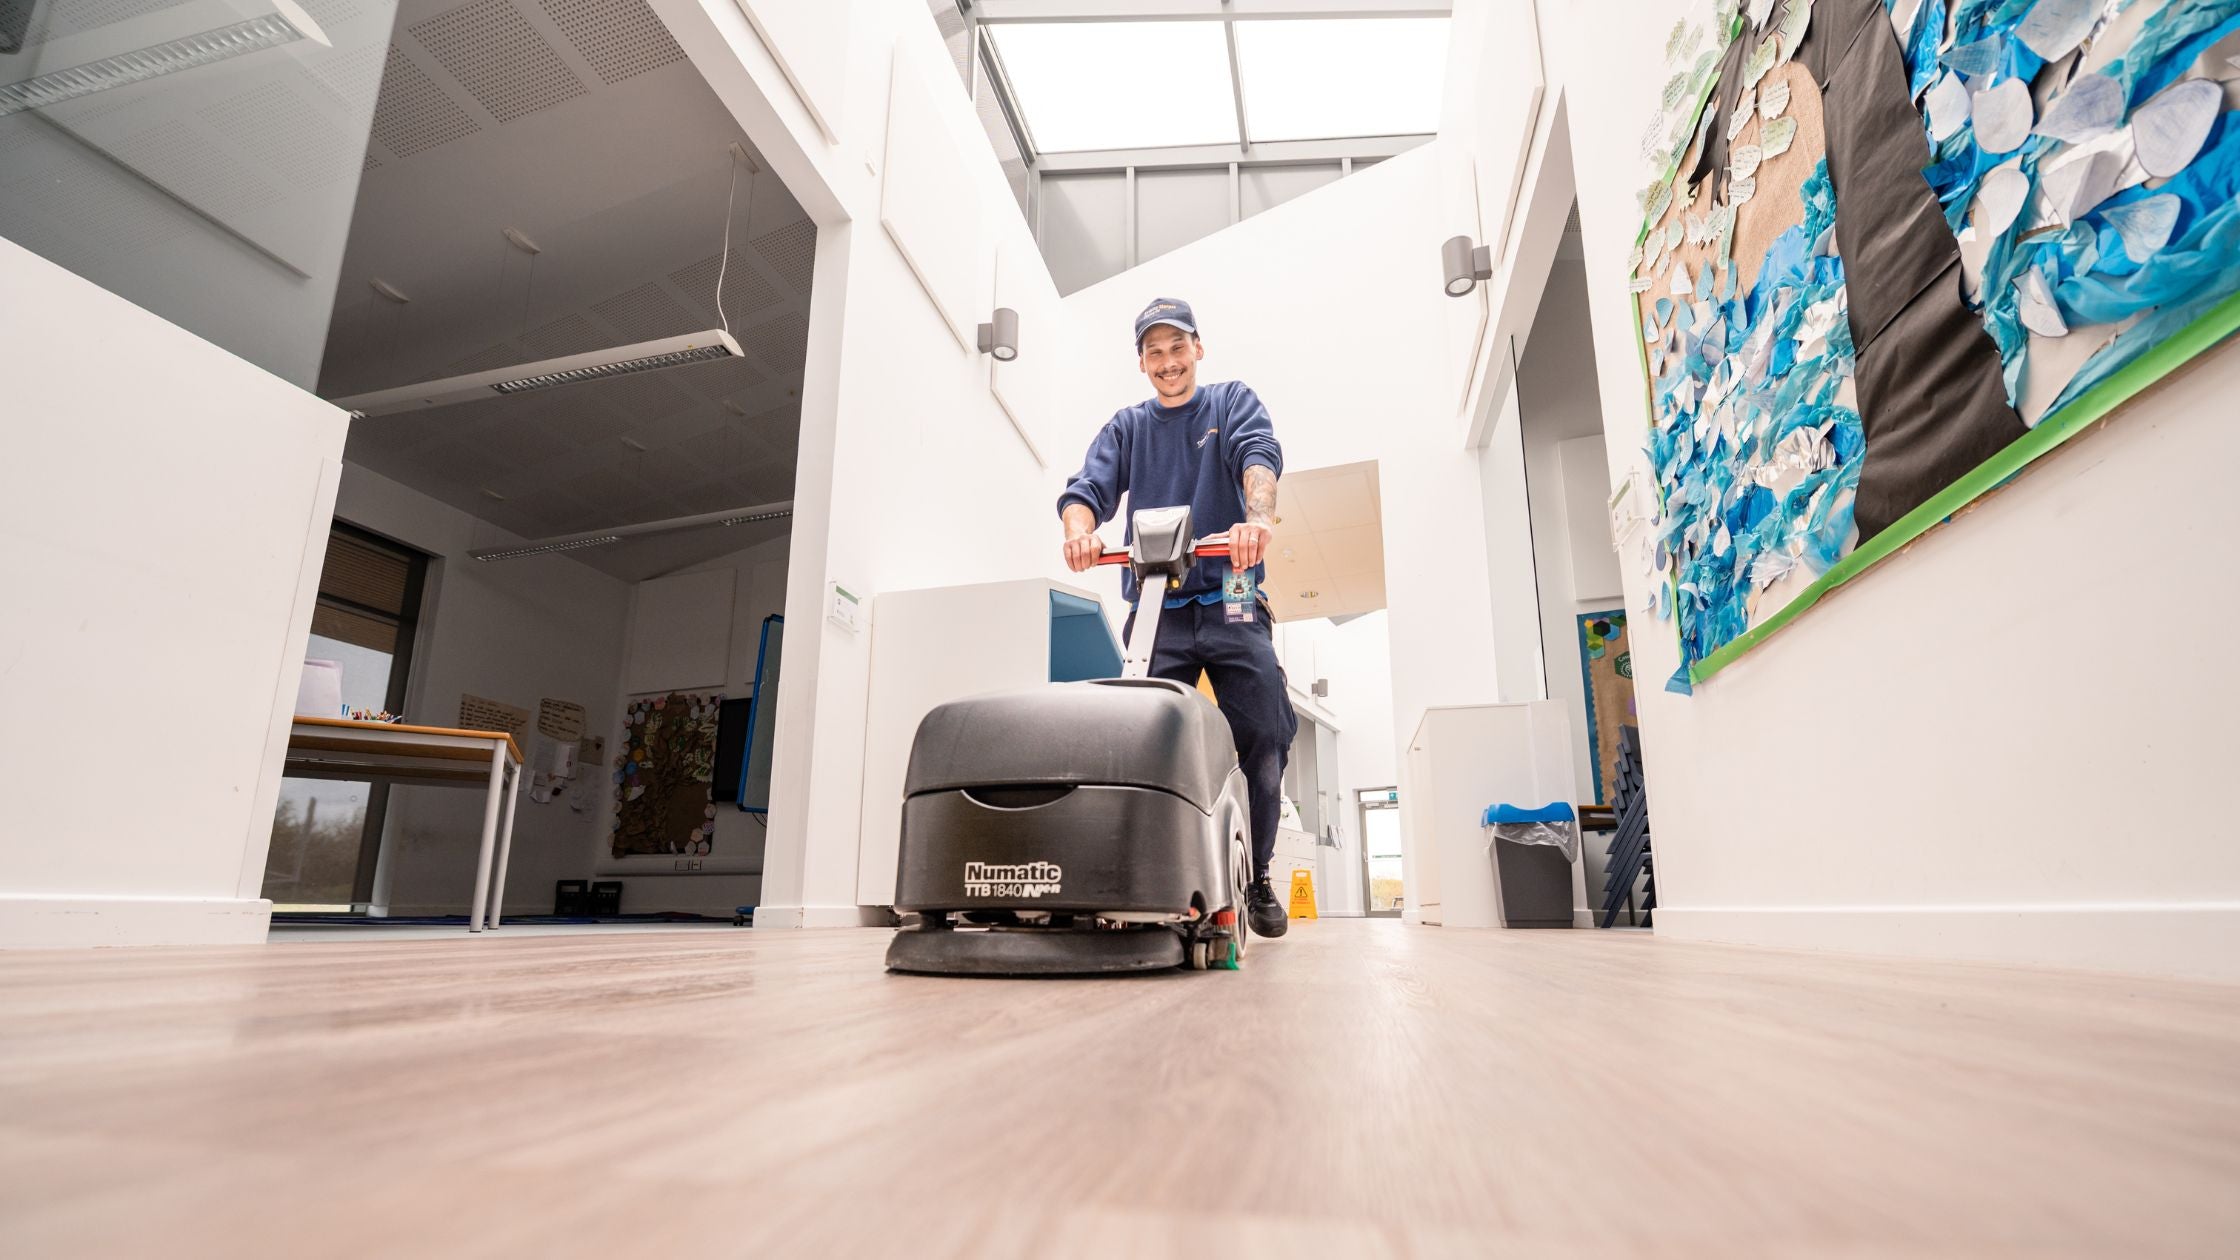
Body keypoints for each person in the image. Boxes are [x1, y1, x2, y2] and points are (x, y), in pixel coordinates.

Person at [1057, 297, 1298, 940]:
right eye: (1154, 352)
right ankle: (1139, 875)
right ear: (1142, 362)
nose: (1168, 362)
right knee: (1136, 737)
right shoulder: (1129, 428)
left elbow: (1259, 458)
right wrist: (1080, 533)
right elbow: (1086, 491)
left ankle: (1261, 876)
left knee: (1265, 740)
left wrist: (1258, 520)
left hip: (1231, 599)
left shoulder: (1229, 403)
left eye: (1177, 347)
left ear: (1198, 348)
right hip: (1158, 608)